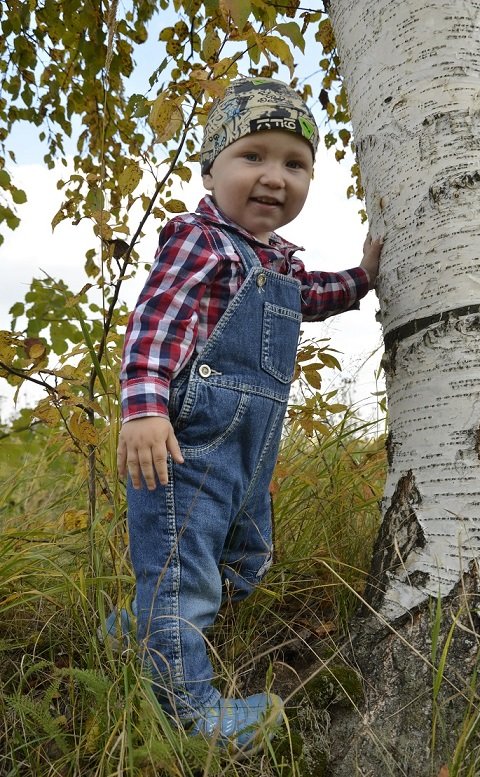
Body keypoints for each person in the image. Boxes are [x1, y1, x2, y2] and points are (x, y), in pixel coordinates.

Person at [113, 76, 382, 755]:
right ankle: (185, 709)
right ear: (210, 169)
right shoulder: (198, 240)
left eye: (294, 164)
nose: (273, 177)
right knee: (184, 573)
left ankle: (139, 635)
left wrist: (361, 279)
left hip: (247, 455)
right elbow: (155, 322)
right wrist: (143, 408)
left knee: (243, 558)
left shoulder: (274, 261)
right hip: (187, 447)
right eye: (252, 156)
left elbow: (308, 297)